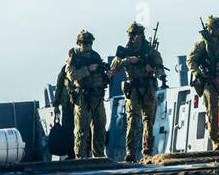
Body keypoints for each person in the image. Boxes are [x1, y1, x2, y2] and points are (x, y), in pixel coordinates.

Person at [111, 22, 165, 162]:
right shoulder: (125, 50)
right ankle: (131, 153)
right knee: (133, 121)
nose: (132, 37)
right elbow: (114, 67)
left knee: (149, 121)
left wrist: (151, 68)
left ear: (141, 35)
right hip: (133, 88)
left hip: (147, 87)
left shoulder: (150, 51)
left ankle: (147, 151)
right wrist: (129, 60)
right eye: (130, 34)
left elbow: (160, 70)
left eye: (134, 34)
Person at [187, 15, 219, 150]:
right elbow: (191, 61)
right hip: (209, 80)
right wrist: (198, 73)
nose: (218, 31)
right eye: (216, 28)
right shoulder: (201, 44)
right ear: (209, 29)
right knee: (212, 110)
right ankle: (215, 139)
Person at [65, 30, 109, 158]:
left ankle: (99, 156)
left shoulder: (95, 56)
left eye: (90, 43)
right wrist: (88, 70)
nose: (88, 46)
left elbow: (101, 75)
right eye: (85, 43)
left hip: (97, 96)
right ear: (79, 43)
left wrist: (106, 75)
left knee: (100, 128)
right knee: (81, 131)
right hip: (83, 98)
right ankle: (80, 158)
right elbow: (72, 75)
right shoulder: (74, 57)